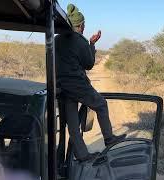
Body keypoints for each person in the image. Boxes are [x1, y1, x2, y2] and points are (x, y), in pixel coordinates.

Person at [55, 4, 126, 161]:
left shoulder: (57, 39)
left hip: (61, 86)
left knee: (72, 124)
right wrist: (91, 44)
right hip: (77, 85)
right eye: (84, 25)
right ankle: (109, 138)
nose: (84, 27)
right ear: (80, 25)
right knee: (100, 104)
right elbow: (89, 64)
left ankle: (82, 155)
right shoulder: (79, 40)